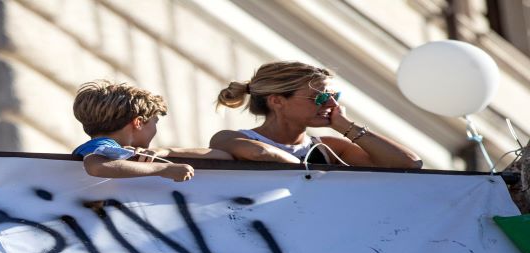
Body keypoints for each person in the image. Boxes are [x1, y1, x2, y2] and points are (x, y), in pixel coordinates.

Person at [210, 61, 423, 168]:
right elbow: (260, 154)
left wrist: (346, 127)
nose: (331, 103)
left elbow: (410, 164)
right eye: (319, 98)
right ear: (277, 101)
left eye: (334, 96)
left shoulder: (328, 147)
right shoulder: (230, 138)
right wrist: (309, 174)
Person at [72, 80, 232, 182]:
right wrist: (164, 169)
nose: (155, 129)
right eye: (155, 122)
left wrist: (165, 151)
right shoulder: (101, 144)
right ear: (139, 122)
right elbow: (96, 166)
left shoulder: (116, 150)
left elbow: (223, 156)